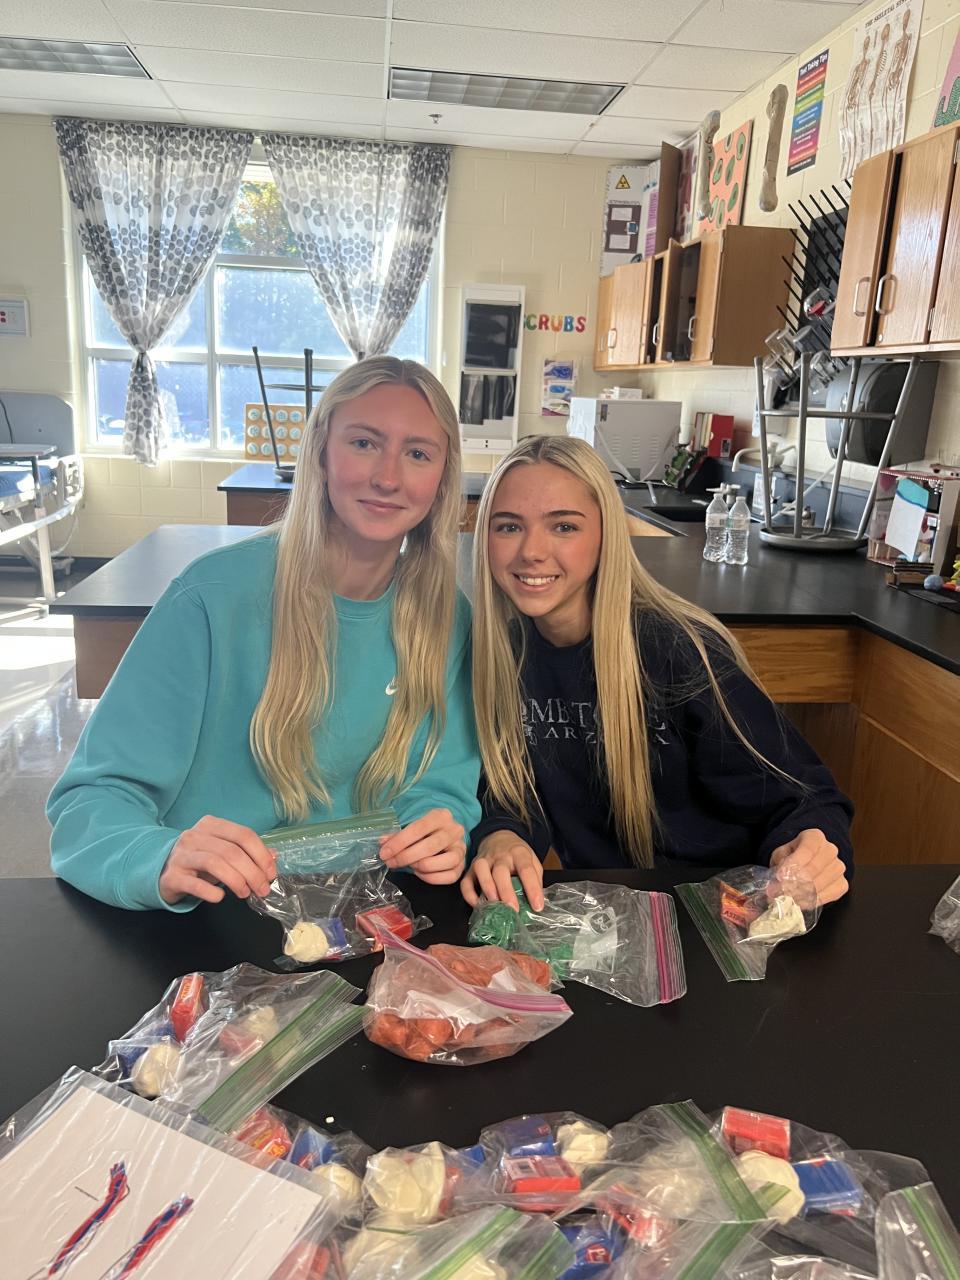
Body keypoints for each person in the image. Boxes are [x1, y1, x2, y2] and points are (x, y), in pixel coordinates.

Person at [49, 357, 480, 911]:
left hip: (363, 915)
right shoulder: (211, 599)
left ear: (442, 479)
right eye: (364, 443)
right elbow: (91, 803)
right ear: (320, 453)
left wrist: (437, 828)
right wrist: (159, 857)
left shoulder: (446, 619)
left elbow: (441, 783)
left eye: (418, 454)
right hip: (214, 913)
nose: (388, 477)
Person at [461, 435, 852, 913]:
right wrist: (502, 835)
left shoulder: (680, 652)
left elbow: (805, 800)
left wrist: (810, 850)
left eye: (564, 526)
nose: (532, 552)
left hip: (724, 913)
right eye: (508, 526)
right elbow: (508, 790)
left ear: (605, 536)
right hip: (610, 914)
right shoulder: (501, 658)